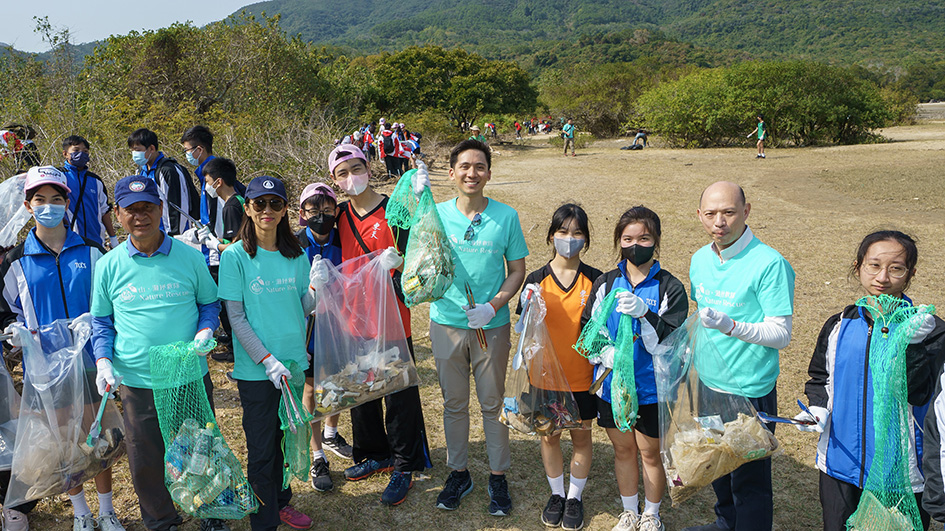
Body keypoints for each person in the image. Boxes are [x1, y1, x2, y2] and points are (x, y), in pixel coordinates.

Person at [89, 175, 226, 531]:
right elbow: (101, 321)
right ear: (118, 214)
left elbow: (209, 303)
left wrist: (205, 329)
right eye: (131, 210)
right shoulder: (108, 265)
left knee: (200, 447)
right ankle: (161, 520)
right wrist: (103, 361)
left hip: (187, 374)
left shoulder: (190, 257)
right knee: (146, 457)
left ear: (161, 209)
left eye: (148, 207)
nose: (141, 216)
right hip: (138, 380)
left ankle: (211, 511)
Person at [0, 166, 124, 531]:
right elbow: (5, 311)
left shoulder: (92, 251)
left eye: (56, 199)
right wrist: (14, 332)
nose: (48, 206)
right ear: (28, 206)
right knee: (65, 441)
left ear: (67, 203)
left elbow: (111, 302)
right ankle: (81, 512)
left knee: (99, 436)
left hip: (92, 360)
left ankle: (106, 511)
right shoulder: (16, 261)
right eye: (40, 200)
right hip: (46, 368)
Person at [801, 231, 942, 531]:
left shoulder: (929, 330)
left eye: (896, 268)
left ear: (911, 273)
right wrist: (818, 408)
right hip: (840, 463)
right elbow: (821, 377)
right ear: (858, 267)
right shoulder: (839, 324)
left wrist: (914, 346)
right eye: (874, 265)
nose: (882, 277)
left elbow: (922, 394)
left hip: (901, 473)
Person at [683, 181, 795, 531]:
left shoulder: (770, 264)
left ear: (746, 212)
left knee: (750, 479)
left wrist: (731, 326)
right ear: (699, 215)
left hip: (749, 389)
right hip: (708, 383)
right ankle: (725, 523)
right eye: (711, 214)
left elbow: (781, 334)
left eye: (729, 212)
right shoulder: (700, 259)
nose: (719, 222)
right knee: (718, 462)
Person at [324, 144, 432, 506]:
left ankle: (405, 463)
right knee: (362, 392)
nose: (351, 177)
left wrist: (399, 262)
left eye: (356, 168)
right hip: (353, 319)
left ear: (369, 169)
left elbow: (420, 251)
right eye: (342, 173)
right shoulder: (339, 215)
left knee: (398, 394)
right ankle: (374, 453)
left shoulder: (394, 210)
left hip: (391, 317)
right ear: (335, 181)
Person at [430, 139, 528, 516]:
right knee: (454, 404)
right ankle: (458, 473)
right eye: (465, 166)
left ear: (488, 173)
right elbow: (421, 258)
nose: (472, 173)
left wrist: (493, 306)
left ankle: (497, 476)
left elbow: (516, 269)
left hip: (492, 326)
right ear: (452, 173)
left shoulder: (506, 216)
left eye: (480, 166)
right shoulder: (436, 214)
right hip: (446, 323)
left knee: (492, 402)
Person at [217, 175, 315, 531]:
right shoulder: (235, 257)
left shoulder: (297, 255)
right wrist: (266, 360)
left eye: (275, 203)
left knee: (285, 439)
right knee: (261, 448)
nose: (267, 210)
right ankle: (264, 521)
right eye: (259, 203)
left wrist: (317, 293)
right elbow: (236, 318)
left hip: (293, 365)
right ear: (247, 208)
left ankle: (281, 502)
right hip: (259, 371)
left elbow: (300, 307)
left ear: (285, 209)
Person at [582, 206, 688, 531]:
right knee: (623, 449)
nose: (635, 245)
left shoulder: (669, 287)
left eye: (644, 238)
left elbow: (671, 343)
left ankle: (652, 514)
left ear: (656, 241)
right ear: (619, 241)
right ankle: (629, 511)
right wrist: (605, 353)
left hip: (652, 388)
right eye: (628, 238)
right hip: (612, 387)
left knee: (650, 453)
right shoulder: (606, 283)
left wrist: (645, 314)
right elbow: (588, 329)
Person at [516, 204, 602, 530]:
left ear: (586, 239)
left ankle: (574, 497)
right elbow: (523, 329)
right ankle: (556, 494)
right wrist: (526, 304)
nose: (569, 238)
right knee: (549, 437)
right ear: (551, 236)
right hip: (544, 377)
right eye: (563, 231)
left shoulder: (597, 280)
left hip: (582, 378)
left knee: (581, 437)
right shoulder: (536, 280)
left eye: (577, 233)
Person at [294, 182, 353, 493]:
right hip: (307, 329)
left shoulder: (343, 238)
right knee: (311, 388)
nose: (321, 216)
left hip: (340, 324)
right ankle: (317, 454)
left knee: (336, 381)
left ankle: (331, 433)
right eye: (313, 211)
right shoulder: (293, 244)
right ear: (302, 213)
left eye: (327, 210)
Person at [200, 157, 244, 362]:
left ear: (218, 182)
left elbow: (236, 246)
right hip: (239, 265)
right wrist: (213, 238)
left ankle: (236, 351)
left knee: (230, 308)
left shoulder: (231, 206)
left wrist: (213, 245)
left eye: (208, 182)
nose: (207, 187)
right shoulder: (238, 201)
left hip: (237, 269)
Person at [127, 128, 200, 236]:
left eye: (137, 150)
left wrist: (174, 236)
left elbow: (178, 207)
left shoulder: (168, 171)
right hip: (152, 233)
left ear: (151, 148)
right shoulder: (140, 171)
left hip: (172, 235)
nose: (134, 154)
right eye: (132, 150)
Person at [58, 135, 119, 249]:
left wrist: (113, 239)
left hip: (96, 242)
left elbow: (105, 211)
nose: (81, 154)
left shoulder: (95, 181)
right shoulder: (58, 177)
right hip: (68, 243)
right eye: (76, 150)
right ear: (65, 153)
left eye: (85, 151)